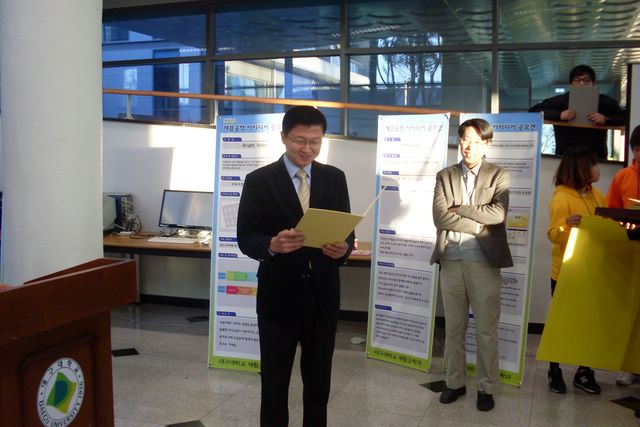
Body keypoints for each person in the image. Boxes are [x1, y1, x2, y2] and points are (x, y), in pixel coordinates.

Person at [236, 105, 355, 427]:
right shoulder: (260, 180)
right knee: (274, 384)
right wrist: (271, 245)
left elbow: (347, 232)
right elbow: (246, 236)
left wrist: (343, 249)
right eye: (299, 140)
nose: (307, 149)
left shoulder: (334, 178)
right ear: (283, 137)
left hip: (322, 298)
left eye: (315, 142)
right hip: (279, 298)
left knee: (318, 384)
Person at [430, 118, 513, 412]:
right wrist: (477, 224)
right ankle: (454, 382)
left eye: (477, 141)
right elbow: (440, 217)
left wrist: (461, 209)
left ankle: (486, 387)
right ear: (459, 141)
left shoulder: (498, 175)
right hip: (451, 259)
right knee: (454, 327)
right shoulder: (445, 175)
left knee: (486, 330)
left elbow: (498, 214)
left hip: (484, 261)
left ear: (486, 144)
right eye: (465, 139)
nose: (469, 146)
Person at [546, 146, 606, 395]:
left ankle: (584, 372)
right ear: (581, 169)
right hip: (565, 274)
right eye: (593, 164)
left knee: (587, 324)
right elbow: (553, 234)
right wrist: (565, 225)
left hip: (590, 272)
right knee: (561, 325)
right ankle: (554, 370)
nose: (597, 169)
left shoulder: (597, 196)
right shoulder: (561, 198)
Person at [529, 64, 626, 159]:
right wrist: (559, 115)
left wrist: (606, 119)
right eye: (577, 80)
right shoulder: (560, 101)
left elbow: (625, 117)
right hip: (565, 156)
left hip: (596, 157)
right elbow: (533, 110)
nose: (582, 83)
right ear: (571, 84)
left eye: (586, 80)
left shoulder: (604, 102)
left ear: (593, 83)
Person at [606, 125, 640, 387]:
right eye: (638, 149)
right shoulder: (622, 177)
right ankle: (629, 366)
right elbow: (611, 212)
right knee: (629, 311)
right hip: (629, 254)